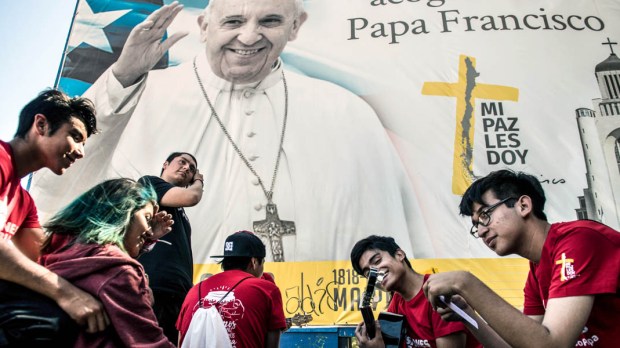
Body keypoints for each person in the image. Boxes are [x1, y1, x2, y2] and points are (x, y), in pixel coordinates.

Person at [30, 0, 434, 262]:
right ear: (205, 25)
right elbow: (63, 192)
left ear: (296, 26)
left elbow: (396, 234)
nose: (249, 36)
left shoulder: (346, 111)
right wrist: (124, 75)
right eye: (234, 21)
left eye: (270, 21)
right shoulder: (142, 93)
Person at [423, 169, 620, 348]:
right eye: (476, 225)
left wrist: (464, 282)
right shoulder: (536, 271)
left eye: (485, 215)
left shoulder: (578, 240)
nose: (481, 231)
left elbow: (553, 345)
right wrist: (466, 314)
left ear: (523, 205)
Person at [0, 89, 108, 335]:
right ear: (41, 124)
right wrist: (64, 292)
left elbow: (49, 255)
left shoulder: (23, 201)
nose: (80, 152)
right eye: (75, 136)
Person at [39, 178, 176, 347]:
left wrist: (146, 240)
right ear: (123, 212)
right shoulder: (119, 270)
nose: (148, 230)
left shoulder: (60, 247)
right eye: (147, 218)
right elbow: (150, 342)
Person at [351, 235, 481, 348]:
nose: (375, 272)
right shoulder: (396, 303)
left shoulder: (438, 293)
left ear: (399, 255)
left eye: (377, 261)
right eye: (369, 274)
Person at [176, 230, 286, 348]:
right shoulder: (267, 290)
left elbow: (180, 340)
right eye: (262, 262)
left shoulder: (194, 291)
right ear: (254, 262)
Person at [138, 152, 204, 344]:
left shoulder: (181, 215)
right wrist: (199, 180)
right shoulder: (150, 183)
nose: (187, 168)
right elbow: (192, 196)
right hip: (156, 287)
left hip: (179, 293)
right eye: (182, 162)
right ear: (165, 164)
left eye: (192, 169)